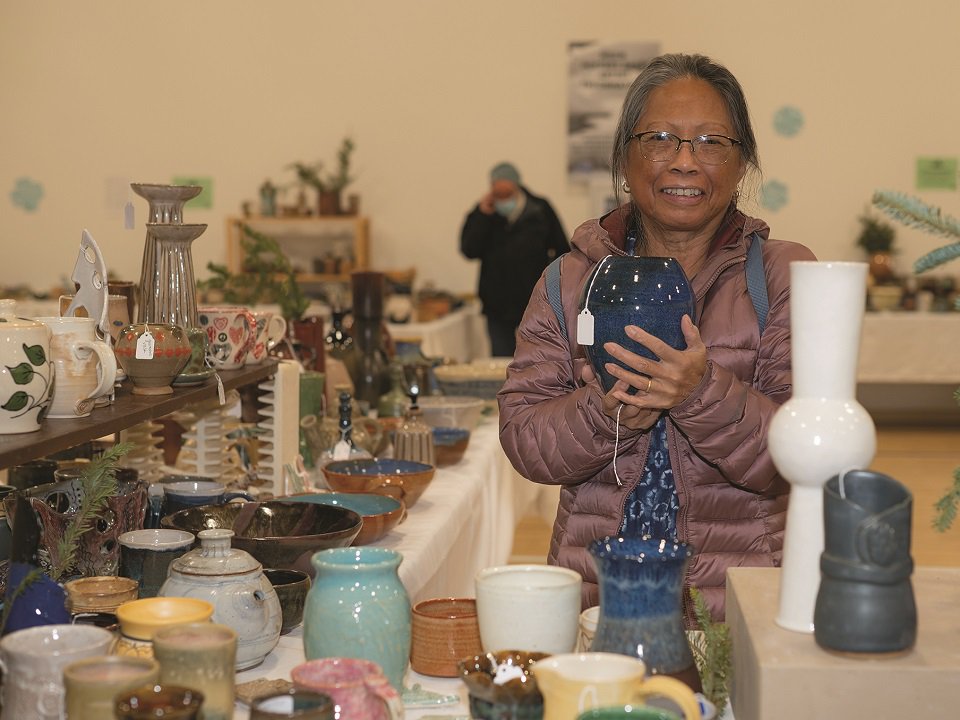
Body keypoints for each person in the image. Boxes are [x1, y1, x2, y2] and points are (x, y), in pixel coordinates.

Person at [498, 53, 817, 622]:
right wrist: (605, 413)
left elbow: (802, 454)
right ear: (624, 157)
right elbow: (524, 438)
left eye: (712, 141)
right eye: (662, 138)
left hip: (738, 609)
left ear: (742, 163)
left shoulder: (782, 277)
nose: (686, 162)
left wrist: (699, 394)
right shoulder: (567, 281)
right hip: (599, 600)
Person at [460, 162, 569, 357]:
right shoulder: (483, 214)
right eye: (498, 195)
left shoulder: (540, 209)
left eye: (507, 194)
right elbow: (469, 250)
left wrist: (553, 288)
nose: (503, 200)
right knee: (501, 362)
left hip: (534, 300)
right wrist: (482, 216)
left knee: (536, 358)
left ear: (517, 187)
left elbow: (562, 250)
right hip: (496, 304)